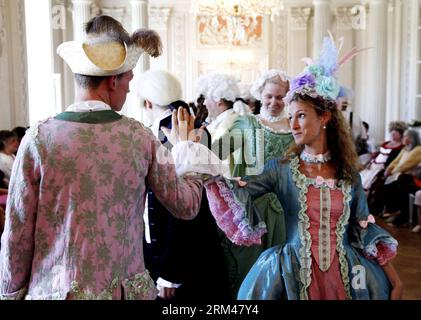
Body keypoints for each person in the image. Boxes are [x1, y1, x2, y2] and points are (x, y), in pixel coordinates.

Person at [0, 15, 215, 300]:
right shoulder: (140, 137)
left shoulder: (38, 139)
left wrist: (11, 293)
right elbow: (186, 206)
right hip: (123, 291)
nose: (129, 88)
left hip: (55, 291)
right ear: (113, 81)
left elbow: (17, 232)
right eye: (128, 80)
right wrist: (189, 152)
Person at [203, 35, 402, 300]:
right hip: (290, 275)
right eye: (291, 116)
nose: (293, 125)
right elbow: (237, 188)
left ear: (324, 118)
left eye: (301, 116)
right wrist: (200, 162)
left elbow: (362, 226)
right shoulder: (280, 169)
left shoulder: (347, 173)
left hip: (347, 277)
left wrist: (395, 280)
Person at [137, 69, 229, 300]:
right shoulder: (192, 124)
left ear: (148, 103)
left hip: (181, 255)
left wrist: (169, 273)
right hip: (185, 250)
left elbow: (180, 206)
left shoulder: (172, 132)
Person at [207, 69, 294, 298]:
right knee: (247, 270)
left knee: (283, 272)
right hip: (250, 208)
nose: (274, 102)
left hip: (287, 211)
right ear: (260, 94)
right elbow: (216, 153)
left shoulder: (295, 129)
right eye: (269, 96)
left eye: (280, 96)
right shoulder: (246, 124)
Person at [382, 129, 421, 226]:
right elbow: (396, 161)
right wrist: (388, 170)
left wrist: (393, 172)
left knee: (400, 181)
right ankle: (394, 211)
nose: (403, 138)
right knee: (388, 182)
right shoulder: (405, 149)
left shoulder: (418, 149)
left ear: (411, 138)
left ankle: (401, 216)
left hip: (413, 178)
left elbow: (406, 165)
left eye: (405, 136)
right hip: (401, 175)